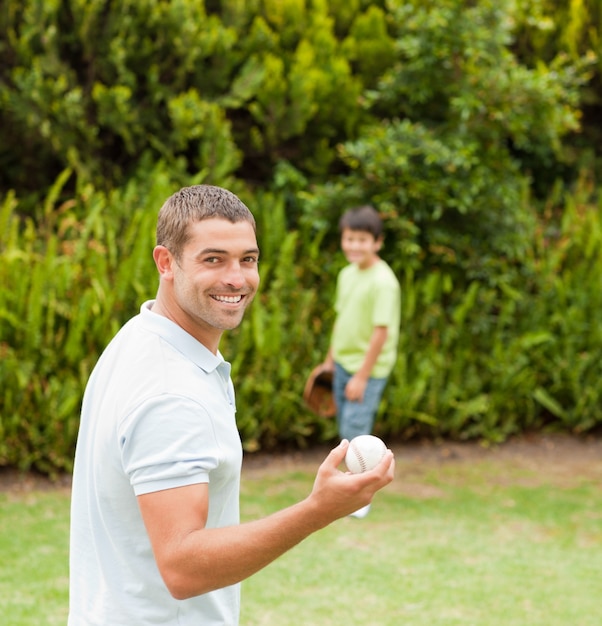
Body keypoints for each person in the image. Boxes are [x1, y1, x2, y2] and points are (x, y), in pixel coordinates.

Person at [68, 185, 395, 626]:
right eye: (213, 259)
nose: (237, 278)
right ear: (166, 262)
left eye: (248, 259)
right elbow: (181, 568)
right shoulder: (172, 394)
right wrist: (316, 511)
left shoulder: (138, 337)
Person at [320, 205, 401, 516]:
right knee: (346, 429)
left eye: (362, 239)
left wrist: (362, 376)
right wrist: (330, 361)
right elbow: (341, 320)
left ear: (377, 242)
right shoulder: (346, 274)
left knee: (357, 431)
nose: (354, 245)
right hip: (342, 364)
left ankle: (360, 499)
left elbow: (381, 333)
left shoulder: (384, 282)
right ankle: (349, 489)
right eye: (349, 238)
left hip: (366, 370)